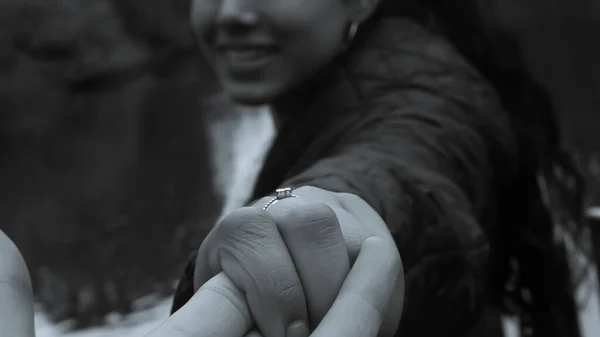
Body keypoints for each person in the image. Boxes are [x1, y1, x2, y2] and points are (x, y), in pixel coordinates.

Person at [170, 0, 589, 337]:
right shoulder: (398, 55)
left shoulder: (424, 99)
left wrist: (324, 221)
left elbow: (403, 168)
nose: (230, 13)